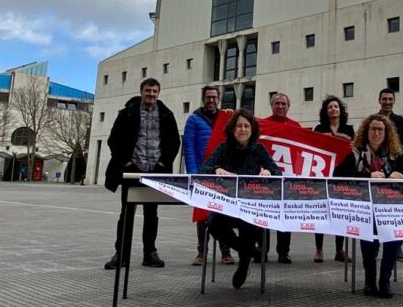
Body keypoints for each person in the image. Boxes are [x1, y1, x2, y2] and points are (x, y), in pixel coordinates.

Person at [334, 114, 403, 298]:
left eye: (380, 129)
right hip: (365, 208)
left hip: (390, 209)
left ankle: (384, 279)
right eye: (373, 129)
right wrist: (367, 176)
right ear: (366, 132)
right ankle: (369, 279)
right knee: (367, 233)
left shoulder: (393, 155)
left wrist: (401, 174)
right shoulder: (356, 154)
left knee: (395, 234)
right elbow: (338, 174)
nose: (376, 133)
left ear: (386, 133)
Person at [104, 78, 181, 270]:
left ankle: (150, 253)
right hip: (133, 171)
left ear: (158, 93)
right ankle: (121, 254)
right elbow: (114, 140)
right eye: (148, 91)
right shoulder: (127, 113)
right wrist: (127, 163)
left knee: (151, 214)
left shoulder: (166, 114)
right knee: (127, 213)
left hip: (155, 172)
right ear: (141, 91)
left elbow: (174, 142)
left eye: (155, 91)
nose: (151, 95)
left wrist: (163, 163)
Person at [200, 109, 282, 289]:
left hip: (249, 205)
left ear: (252, 129)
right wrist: (215, 170)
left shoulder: (258, 149)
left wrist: (268, 172)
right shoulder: (223, 148)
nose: (242, 129)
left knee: (250, 224)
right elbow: (202, 169)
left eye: (246, 126)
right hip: (226, 205)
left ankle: (244, 263)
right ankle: (249, 252)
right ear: (232, 129)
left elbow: (277, 172)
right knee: (214, 224)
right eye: (238, 126)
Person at [183, 86, 235, 266]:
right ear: (203, 99)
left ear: (219, 99)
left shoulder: (226, 119)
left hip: (223, 174)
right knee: (203, 215)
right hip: (202, 173)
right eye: (208, 97)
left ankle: (226, 251)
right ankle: (201, 252)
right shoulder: (193, 120)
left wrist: (231, 115)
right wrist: (193, 174)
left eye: (214, 97)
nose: (211, 101)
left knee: (223, 212)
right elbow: (189, 148)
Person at [313, 95, 355, 263]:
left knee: (341, 213)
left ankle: (339, 250)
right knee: (321, 213)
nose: (333, 109)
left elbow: (355, 148)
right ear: (326, 111)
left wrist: (346, 140)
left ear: (340, 110)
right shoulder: (319, 128)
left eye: (336, 107)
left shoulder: (349, 128)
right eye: (330, 107)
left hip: (343, 174)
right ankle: (319, 250)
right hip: (324, 174)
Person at [260, 93, 301, 264]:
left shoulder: (295, 126)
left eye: (283, 104)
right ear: (271, 105)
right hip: (266, 179)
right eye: (277, 103)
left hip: (286, 180)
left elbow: (300, 153)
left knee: (285, 218)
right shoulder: (262, 125)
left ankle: (283, 252)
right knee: (264, 217)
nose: (280, 106)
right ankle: (262, 251)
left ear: (288, 106)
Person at [378, 87, 403, 262]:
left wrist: (400, 168)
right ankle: (375, 246)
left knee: (396, 214)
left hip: (395, 173)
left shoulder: (400, 121)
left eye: (390, 99)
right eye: (384, 99)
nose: (387, 102)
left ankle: (396, 248)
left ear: (394, 101)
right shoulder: (374, 120)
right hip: (377, 173)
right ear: (379, 101)